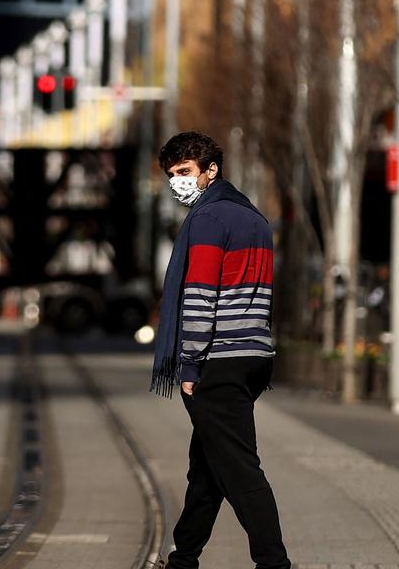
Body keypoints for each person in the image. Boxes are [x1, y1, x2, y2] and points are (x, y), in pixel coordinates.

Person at [150, 131, 292, 569]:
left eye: (186, 172)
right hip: (253, 356)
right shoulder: (254, 218)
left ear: (211, 170)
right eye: (172, 175)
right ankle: (184, 558)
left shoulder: (209, 220)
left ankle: (274, 563)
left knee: (238, 469)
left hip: (219, 359)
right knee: (208, 468)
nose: (179, 183)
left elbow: (199, 296)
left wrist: (189, 365)